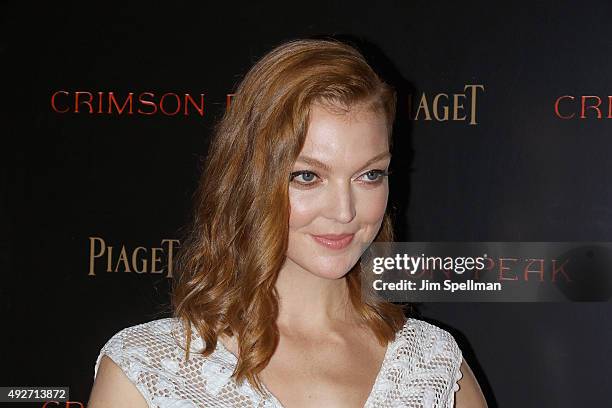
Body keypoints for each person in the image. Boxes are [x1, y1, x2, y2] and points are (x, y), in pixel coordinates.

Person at [88, 38, 487, 408]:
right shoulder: (147, 370)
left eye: (370, 175)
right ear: (248, 179)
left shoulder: (432, 367)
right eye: (308, 176)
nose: (344, 211)